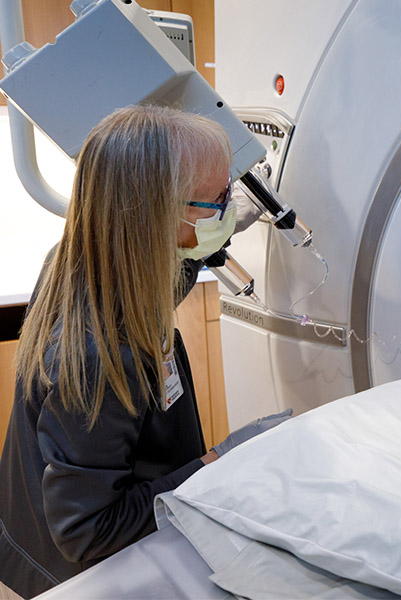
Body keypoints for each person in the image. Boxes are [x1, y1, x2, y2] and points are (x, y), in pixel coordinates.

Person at [0, 105, 290, 598]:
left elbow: (168, 272)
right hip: (75, 575)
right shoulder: (99, 357)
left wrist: (233, 216)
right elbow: (87, 531)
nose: (225, 208)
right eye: (215, 200)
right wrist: (217, 464)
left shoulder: (92, 257)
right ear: (157, 213)